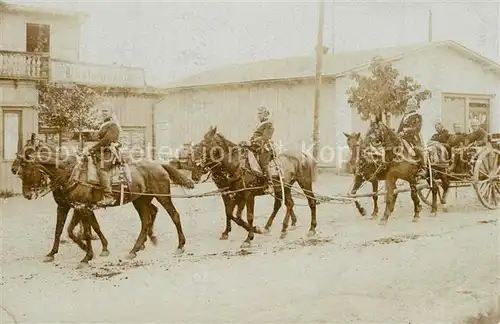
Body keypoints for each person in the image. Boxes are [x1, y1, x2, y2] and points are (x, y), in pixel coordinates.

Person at [88, 110, 121, 206]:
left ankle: (109, 196)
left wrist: (93, 148)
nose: (103, 113)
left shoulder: (113, 125)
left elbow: (107, 139)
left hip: (110, 152)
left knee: (101, 169)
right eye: (102, 111)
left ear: (111, 113)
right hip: (102, 152)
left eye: (106, 111)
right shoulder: (103, 125)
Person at [243, 106, 275, 194]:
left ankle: (270, 185)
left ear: (265, 114)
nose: (259, 116)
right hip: (256, 147)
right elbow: (255, 136)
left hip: (265, 148)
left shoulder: (269, 124)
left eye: (260, 114)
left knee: (264, 164)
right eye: (258, 114)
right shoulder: (260, 125)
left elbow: (265, 137)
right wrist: (247, 142)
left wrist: (252, 142)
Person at [396, 96, 427, 177]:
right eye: (408, 104)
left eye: (412, 104)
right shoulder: (405, 116)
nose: (409, 106)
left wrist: (406, 131)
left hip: (414, 138)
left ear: (415, 106)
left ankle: (422, 168)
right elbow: (400, 128)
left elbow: (417, 128)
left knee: (418, 150)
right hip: (403, 137)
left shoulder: (418, 116)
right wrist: (397, 135)